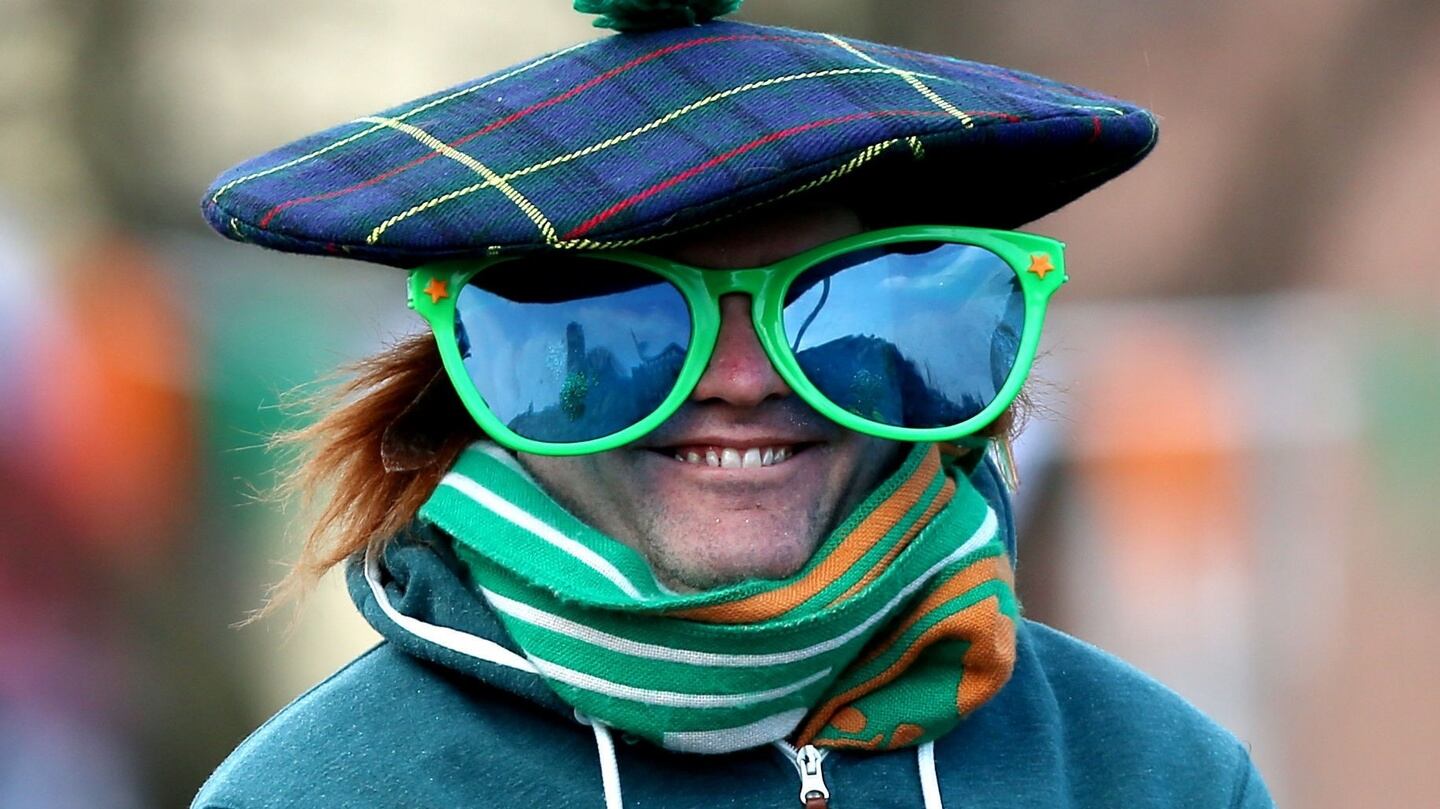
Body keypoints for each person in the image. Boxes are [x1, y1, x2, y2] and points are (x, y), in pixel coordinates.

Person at [193, 2, 1274, 806]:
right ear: (481, 377)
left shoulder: (1151, 772)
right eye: (628, 327)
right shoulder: (324, 792)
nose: (743, 381)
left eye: (833, 310)